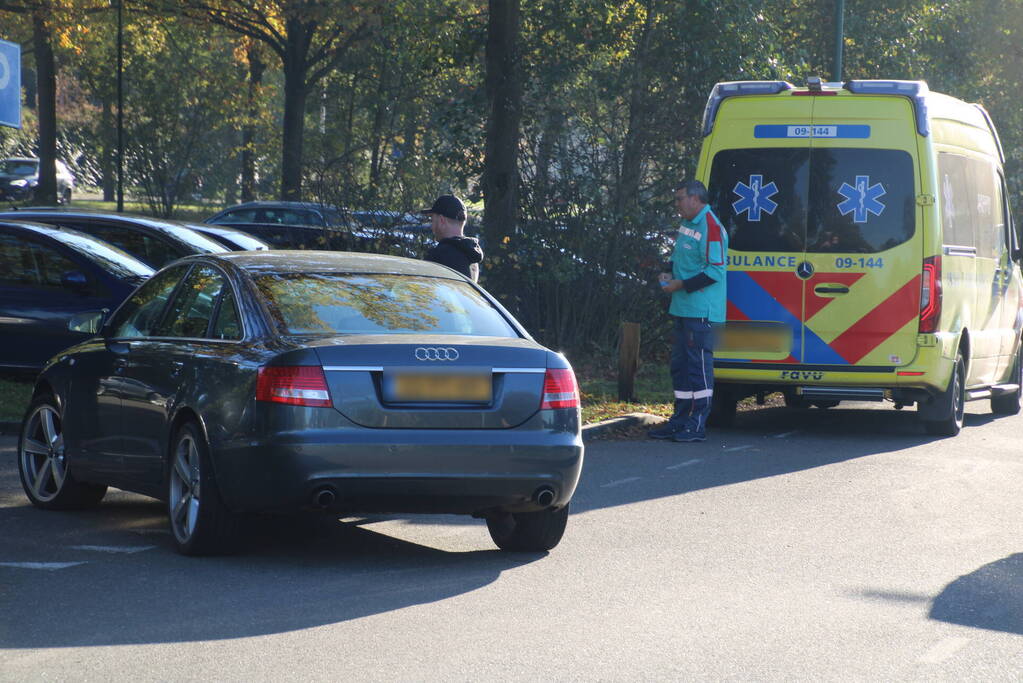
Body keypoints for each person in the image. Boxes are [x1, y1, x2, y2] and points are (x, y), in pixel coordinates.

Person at [648, 180, 728, 443]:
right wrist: (667, 271)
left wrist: (680, 284)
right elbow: (681, 256)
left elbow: (715, 271)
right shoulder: (688, 224)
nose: (677, 204)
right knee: (680, 367)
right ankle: (680, 420)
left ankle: (697, 424)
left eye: (680, 198)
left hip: (701, 310)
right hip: (683, 308)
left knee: (697, 369)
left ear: (695, 199)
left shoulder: (711, 226)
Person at [421, 194, 484, 281]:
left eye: (432, 220)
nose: (432, 227)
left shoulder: (438, 256)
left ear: (441, 220)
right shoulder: (471, 254)